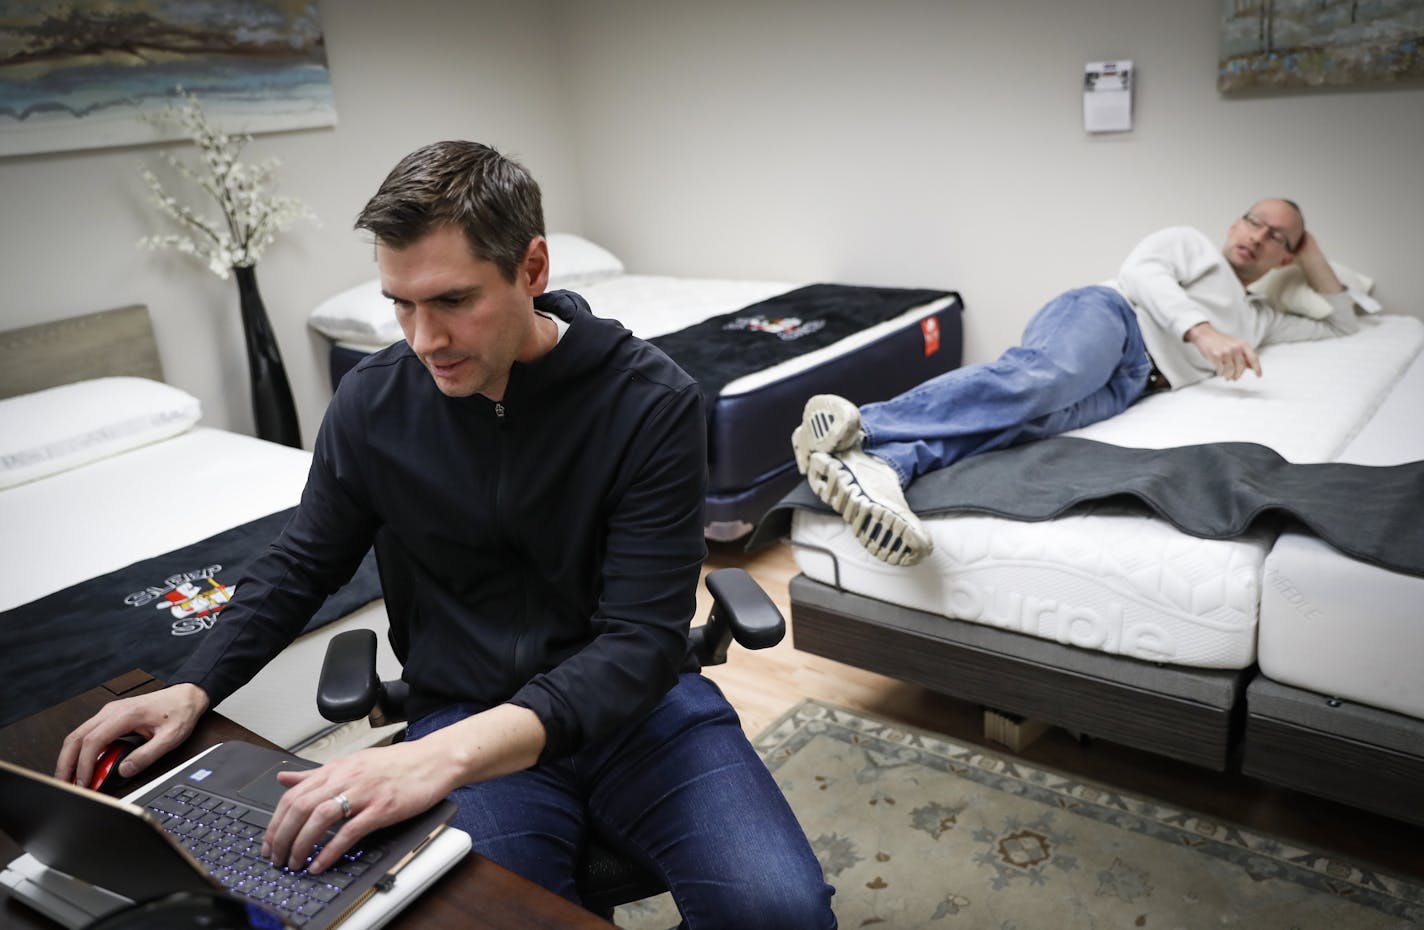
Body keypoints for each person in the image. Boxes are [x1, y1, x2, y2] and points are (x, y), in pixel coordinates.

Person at [57, 141, 836, 928]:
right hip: (465, 713)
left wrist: (428, 761)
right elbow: (303, 561)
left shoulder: (649, 403)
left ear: (532, 270)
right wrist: (193, 685)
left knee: (781, 911)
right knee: (489, 918)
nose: (424, 338)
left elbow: (638, 644)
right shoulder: (373, 405)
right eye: (401, 304)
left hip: (643, 718)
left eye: (453, 301)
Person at [792, 199, 1371, 566]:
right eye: (1254, 219)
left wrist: (1309, 249)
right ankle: (864, 423)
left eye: (1277, 237)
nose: (1258, 235)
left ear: (1283, 260)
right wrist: (1202, 332)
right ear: (1233, 222)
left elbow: (1345, 321)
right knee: (1040, 380)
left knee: (1024, 425)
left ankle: (884, 466)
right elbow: (1141, 273)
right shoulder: (1190, 245)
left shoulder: (1259, 319)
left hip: (1137, 384)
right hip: (1111, 318)